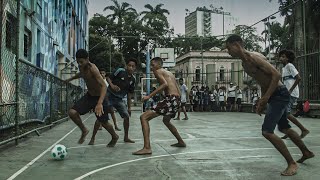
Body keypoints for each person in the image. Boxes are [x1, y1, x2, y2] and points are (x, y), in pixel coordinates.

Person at [226, 34, 314, 176]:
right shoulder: (244, 63)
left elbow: (276, 75)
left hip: (279, 94)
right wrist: (262, 100)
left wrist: (266, 98)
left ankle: (292, 163)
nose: (228, 52)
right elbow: (262, 81)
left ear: (236, 45)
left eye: (229, 48)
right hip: (273, 95)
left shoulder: (253, 57)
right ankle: (306, 151)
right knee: (284, 127)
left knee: (267, 131)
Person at [132, 57, 186, 155]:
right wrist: (178, 103)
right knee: (166, 120)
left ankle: (147, 147)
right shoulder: (169, 73)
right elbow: (176, 87)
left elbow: (164, 85)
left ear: (159, 65)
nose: (151, 67)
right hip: (177, 99)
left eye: (153, 65)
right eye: (151, 65)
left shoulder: (158, 71)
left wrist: (149, 96)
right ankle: (181, 141)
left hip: (171, 99)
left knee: (143, 117)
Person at [66, 49, 119, 147]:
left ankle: (115, 136)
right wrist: (70, 79)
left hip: (100, 97)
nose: (80, 64)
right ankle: (84, 130)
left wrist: (99, 103)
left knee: (104, 123)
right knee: (72, 112)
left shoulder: (93, 69)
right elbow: (81, 74)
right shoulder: (81, 67)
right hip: (90, 96)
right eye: (78, 62)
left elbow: (104, 86)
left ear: (87, 59)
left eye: (81, 62)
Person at [104, 58, 137, 143]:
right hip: (109, 95)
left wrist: (129, 107)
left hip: (119, 99)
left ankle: (126, 137)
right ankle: (93, 137)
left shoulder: (133, 79)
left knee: (126, 117)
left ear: (135, 68)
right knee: (102, 117)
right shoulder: (120, 71)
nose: (130, 67)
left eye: (133, 66)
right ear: (126, 65)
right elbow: (108, 78)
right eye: (129, 65)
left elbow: (129, 94)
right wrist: (112, 85)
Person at [279, 50, 309, 139]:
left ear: (288, 58)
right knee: (283, 113)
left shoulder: (290, 66)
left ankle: (303, 129)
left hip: (291, 93)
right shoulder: (284, 68)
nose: (281, 58)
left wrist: (290, 90)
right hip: (286, 93)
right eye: (281, 56)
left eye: (283, 57)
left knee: (286, 113)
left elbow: (298, 78)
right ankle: (288, 131)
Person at [88, 69, 121, 145]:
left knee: (112, 113)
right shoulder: (97, 81)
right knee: (98, 121)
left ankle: (115, 126)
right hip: (101, 102)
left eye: (103, 73)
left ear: (105, 74)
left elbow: (112, 89)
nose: (102, 74)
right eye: (100, 73)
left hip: (108, 101)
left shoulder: (107, 82)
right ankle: (93, 137)